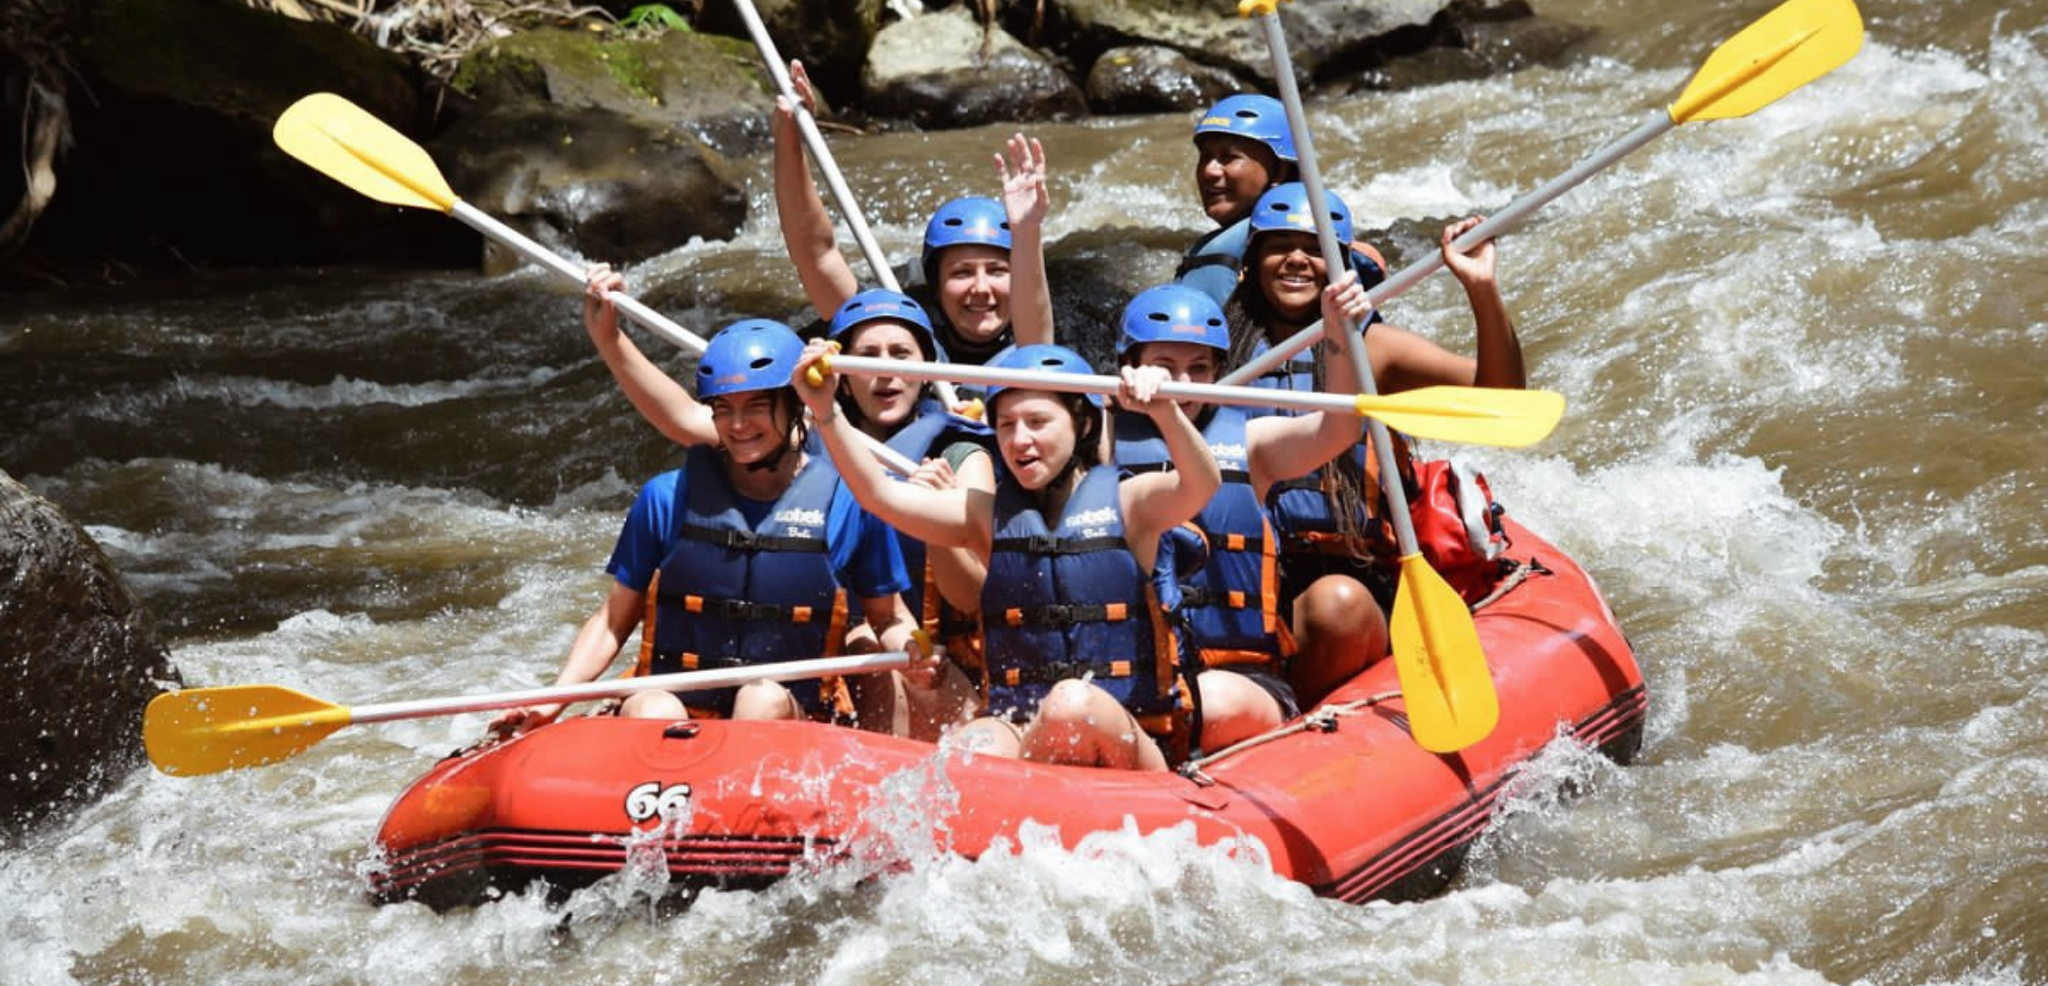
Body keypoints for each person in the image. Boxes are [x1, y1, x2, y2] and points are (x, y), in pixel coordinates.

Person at [489, 319, 931, 736]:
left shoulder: (848, 502)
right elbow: (612, 621)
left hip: (792, 714)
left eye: (755, 407)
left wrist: (916, 648)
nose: (738, 426)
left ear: (794, 405)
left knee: (760, 699)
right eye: (724, 409)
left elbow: (887, 616)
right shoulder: (665, 497)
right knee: (649, 704)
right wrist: (554, 700)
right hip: (680, 709)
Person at [793, 342, 1221, 771]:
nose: (1020, 440)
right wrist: (826, 411)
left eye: (1038, 422)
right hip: (1023, 731)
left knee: (1070, 704)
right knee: (970, 747)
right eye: (1006, 425)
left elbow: (1201, 484)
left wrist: (1166, 412)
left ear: (1084, 424)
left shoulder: (1132, 504)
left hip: (1130, 737)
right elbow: (879, 495)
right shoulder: (985, 516)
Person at [1226, 181, 1525, 704]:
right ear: (1251, 261)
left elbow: (1500, 396)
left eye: (1316, 248)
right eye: (1279, 246)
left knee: (1334, 605)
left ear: (1340, 265)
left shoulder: (1373, 349)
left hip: (1347, 572)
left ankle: (1293, 729)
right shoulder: (1214, 352)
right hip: (1234, 572)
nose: (1297, 260)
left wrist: (1480, 288)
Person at [1111, 282, 1380, 745]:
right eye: (1164, 367)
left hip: (1240, 680)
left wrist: (1337, 335)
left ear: (1219, 374)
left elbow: (1338, 429)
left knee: (1208, 700)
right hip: (1130, 677)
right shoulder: (1096, 440)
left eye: (1199, 369)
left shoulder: (1252, 445)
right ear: (1128, 369)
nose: (1183, 383)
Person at [773, 59, 1053, 367]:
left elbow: (1036, 351)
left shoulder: (1036, 341)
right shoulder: (897, 338)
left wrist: (1027, 229)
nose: (981, 288)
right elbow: (817, 256)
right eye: (961, 272)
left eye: (997, 271)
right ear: (935, 285)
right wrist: (789, 140)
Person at [1177, 93, 1386, 308]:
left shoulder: (1258, 252)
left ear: (1280, 171)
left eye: (1229, 157)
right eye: (1205, 156)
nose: (1208, 171)